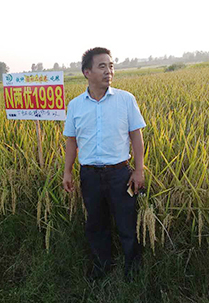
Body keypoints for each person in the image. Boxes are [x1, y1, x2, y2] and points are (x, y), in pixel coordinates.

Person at [63, 47, 146, 280]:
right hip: (89, 175)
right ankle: (102, 267)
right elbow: (72, 141)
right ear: (86, 72)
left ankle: (133, 269)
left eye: (111, 66)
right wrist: (67, 172)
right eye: (102, 66)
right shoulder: (75, 105)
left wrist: (138, 171)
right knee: (96, 224)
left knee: (126, 223)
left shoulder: (126, 100)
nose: (109, 71)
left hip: (120, 174)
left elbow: (136, 137)